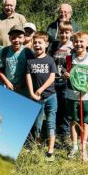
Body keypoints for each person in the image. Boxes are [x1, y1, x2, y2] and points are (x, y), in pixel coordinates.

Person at [63, 31, 88, 162]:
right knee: (73, 121)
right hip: (72, 94)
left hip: (87, 95)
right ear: (72, 43)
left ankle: (83, 146)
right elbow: (63, 72)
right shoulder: (69, 59)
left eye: (81, 41)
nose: (78, 44)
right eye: (76, 41)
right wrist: (65, 75)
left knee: (86, 121)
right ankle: (74, 146)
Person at [26, 31, 58, 161]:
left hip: (50, 96)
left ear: (46, 44)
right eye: (35, 43)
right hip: (36, 98)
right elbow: (28, 77)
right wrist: (32, 93)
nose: (37, 45)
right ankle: (37, 144)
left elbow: (52, 77)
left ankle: (50, 150)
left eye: (40, 43)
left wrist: (41, 90)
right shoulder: (30, 61)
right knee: (37, 123)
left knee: (51, 122)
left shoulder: (50, 60)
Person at [47, 21, 74, 148]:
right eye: (62, 32)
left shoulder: (73, 47)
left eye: (66, 32)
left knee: (65, 108)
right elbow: (49, 61)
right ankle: (55, 133)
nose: (64, 35)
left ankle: (65, 133)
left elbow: (76, 63)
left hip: (66, 83)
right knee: (55, 107)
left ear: (71, 33)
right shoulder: (54, 46)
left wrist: (70, 73)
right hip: (54, 81)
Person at [0, 25, 34, 97]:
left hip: (24, 90)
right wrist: (6, 82)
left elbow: (32, 72)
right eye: (13, 37)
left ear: (24, 38)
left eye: (20, 37)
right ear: (9, 38)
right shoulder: (4, 51)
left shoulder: (28, 52)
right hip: (7, 87)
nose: (16, 40)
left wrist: (22, 83)